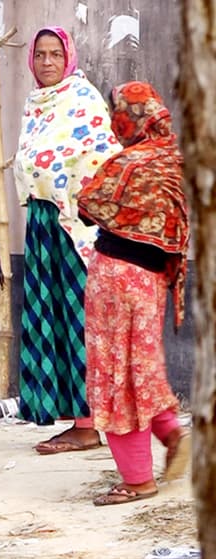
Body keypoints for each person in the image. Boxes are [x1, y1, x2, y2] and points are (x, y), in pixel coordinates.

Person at [78, 82, 191, 505]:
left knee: (115, 375)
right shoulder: (177, 159)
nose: (112, 121)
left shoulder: (129, 163)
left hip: (115, 278)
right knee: (141, 367)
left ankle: (137, 480)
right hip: (152, 281)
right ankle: (174, 436)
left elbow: (88, 203)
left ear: (131, 117)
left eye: (116, 113)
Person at [14, 27, 122, 454]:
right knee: (50, 317)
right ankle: (73, 418)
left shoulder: (82, 100)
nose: (46, 62)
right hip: (42, 225)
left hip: (75, 227)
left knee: (79, 318)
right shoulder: (34, 106)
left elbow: (102, 158)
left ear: (69, 57)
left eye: (55, 54)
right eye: (39, 55)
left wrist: (65, 194)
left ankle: (88, 421)